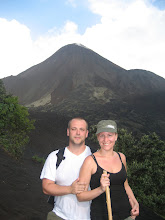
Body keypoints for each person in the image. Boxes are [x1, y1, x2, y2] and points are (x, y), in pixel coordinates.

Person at [77, 120, 139, 220]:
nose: (106, 139)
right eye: (102, 135)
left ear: (116, 136)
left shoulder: (121, 157)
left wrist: (135, 203)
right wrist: (101, 189)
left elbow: (125, 184)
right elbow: (80, 196)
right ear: (97, 137)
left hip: (127, 215)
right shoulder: (90, 161)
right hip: (102, 216)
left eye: (109, 135)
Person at [40, 117, 93, 220]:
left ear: (86, 133)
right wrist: (70, 189)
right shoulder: (55, 157)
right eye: (74, 129)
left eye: (81, 129)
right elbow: (46, 187)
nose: (78, 133)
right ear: (68, 132)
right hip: (60, 216)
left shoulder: (96, 157)